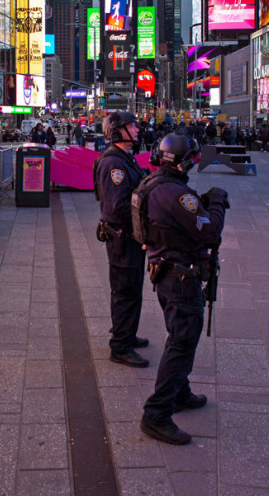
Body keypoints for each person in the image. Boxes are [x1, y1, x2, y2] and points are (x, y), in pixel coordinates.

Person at [137, 134, 227, 445]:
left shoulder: (154, 184)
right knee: (182, 341)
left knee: (178, 334)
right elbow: (210, 229)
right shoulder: (176, 193)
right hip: (180, 277)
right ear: (187, 160)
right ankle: (157, 413)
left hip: (164, 270)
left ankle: (180, 392)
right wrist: (215, 203)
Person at [93, 112, 149, 368]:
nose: (137, 129)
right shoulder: (114, 164)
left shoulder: (125, 159)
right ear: (116, 132)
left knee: (132, 289)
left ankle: (127, 332)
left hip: (131, 237)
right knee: (125, 291)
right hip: (122, 238)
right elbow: (118, 207)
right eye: (131, 126)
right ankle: (120, 346)